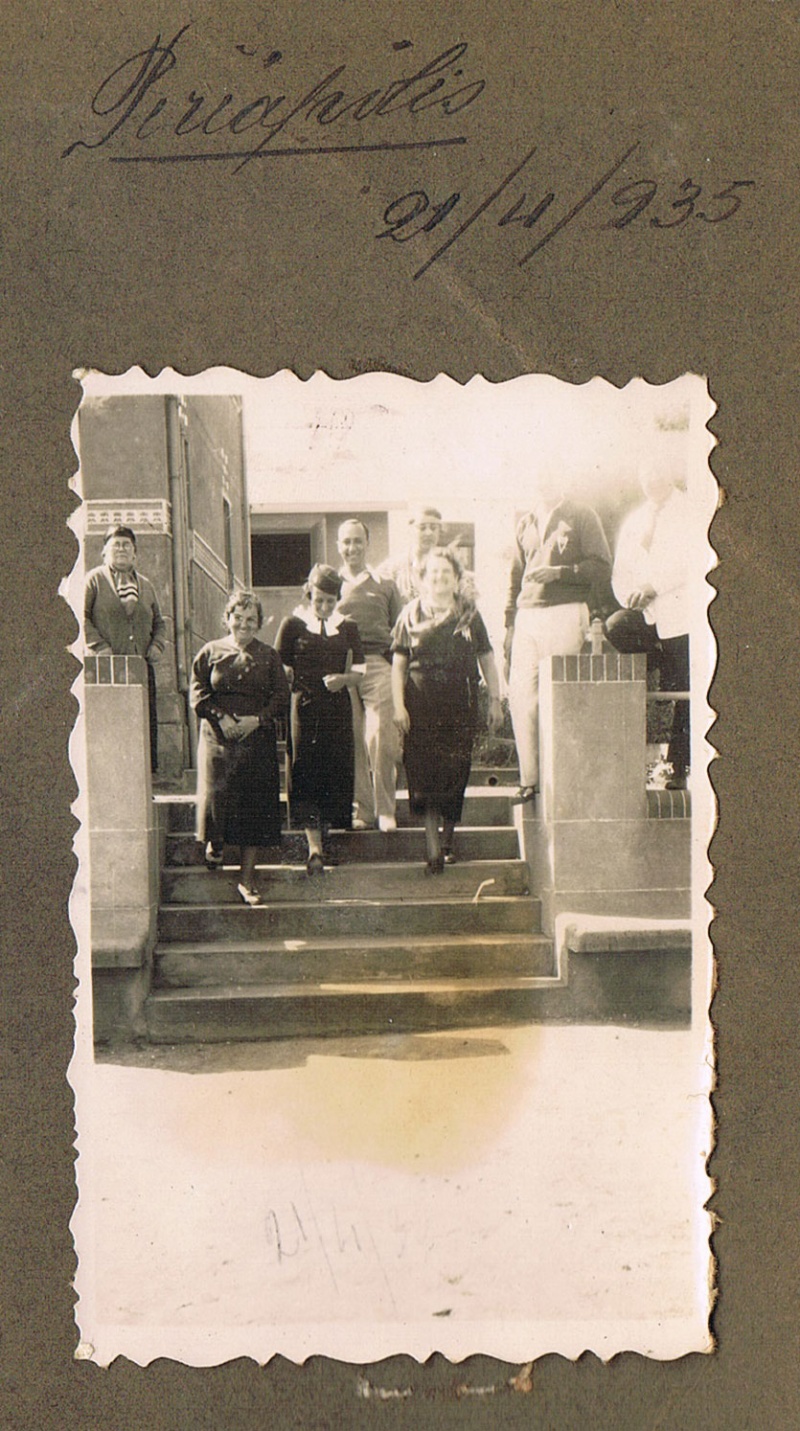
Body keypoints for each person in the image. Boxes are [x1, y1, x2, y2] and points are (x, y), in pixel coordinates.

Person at [392, 547, 503, 873]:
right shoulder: (410, 614)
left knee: (454, 773)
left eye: (446, 572)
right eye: (433, 572)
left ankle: (447, 840)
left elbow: (487, 659)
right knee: (423, 774)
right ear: (423, 578)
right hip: (420, 707)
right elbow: (398, 665)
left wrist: (495, 700)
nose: (439, 577)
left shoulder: (469, 615)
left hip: (459, 706)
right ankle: (433, 849)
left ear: (456, 579)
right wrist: (398, 706)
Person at [504, 476, 612, 802]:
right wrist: (509, 624)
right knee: (521, 698)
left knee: (559, 698)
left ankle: (561, 779)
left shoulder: (581, 514)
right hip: (527, 614)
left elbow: (601, 566)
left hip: (565, 610)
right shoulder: (526, 521)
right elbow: (515, 575)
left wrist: (560, 573)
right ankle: (530, 780)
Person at [190, 591, 289, 906]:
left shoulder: (269, 656)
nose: (244, 625)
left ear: (259, 623)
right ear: (227, 618)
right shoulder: (210, 652)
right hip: (218, 738)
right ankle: (216, 842)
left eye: (251, 620)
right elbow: (198, 693)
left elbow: (281, 697)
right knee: (217, 796)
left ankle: (247, 880)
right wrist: (221, 718)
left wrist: (257, 720)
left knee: (255, 805)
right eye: (238, 618)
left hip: (255, 740)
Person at [276, 565, 366, 875]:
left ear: (338, 599)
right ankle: (314, 847)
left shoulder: (348, 627)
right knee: (305, 770)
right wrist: (288, 676)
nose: (325, 607)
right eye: (319, 601)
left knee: (333, 771)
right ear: (309, 596)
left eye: (330, 601)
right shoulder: (292, 624)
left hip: (336, 708)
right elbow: (279, 667)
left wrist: (343, 680)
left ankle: (325, 840)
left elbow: (361, 671)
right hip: (304, 708)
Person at [606, 463, 691, 788]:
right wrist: (631, 596)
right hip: (645, 613)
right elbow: (621, 571)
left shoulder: (689, 510)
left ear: (670, 473)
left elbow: (693, 561)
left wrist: (654, 586)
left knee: (684, 692)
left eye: (658, 472)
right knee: (616, 626)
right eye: (646, 475)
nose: (652, 480)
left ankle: (678, 767)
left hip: (681, 611)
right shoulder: (636, 519)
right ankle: (661, 660)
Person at [336, 518, 403, 832]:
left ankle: (385, 809)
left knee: (379, 736)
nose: (352, 548)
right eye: (346, 542)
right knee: (353, 739)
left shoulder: (385, 584)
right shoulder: (330, 583)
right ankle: (362, 810)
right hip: (344, 666)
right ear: (339, 546)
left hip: (377, 664)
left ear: (367, 543)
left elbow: (400, 632)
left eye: (358, 541)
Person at [83, 524, 166, 772]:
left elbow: (160, 623)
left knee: (141, 725)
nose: (121, 548)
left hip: (140, 668)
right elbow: (80, 618)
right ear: (104, 551)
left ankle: (141, 780)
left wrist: (157, 645)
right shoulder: (94, 580)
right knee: (110, 726)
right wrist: (99, 646)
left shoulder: (146, 586)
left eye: (126, 545)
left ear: (134, 553)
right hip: (105, 670)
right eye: (116, 544)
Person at [379, 505, 443, 601]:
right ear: (410, 530)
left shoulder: (449, 567)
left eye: (433, 528)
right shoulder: (391, 569)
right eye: (422, 528)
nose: (428, 533)